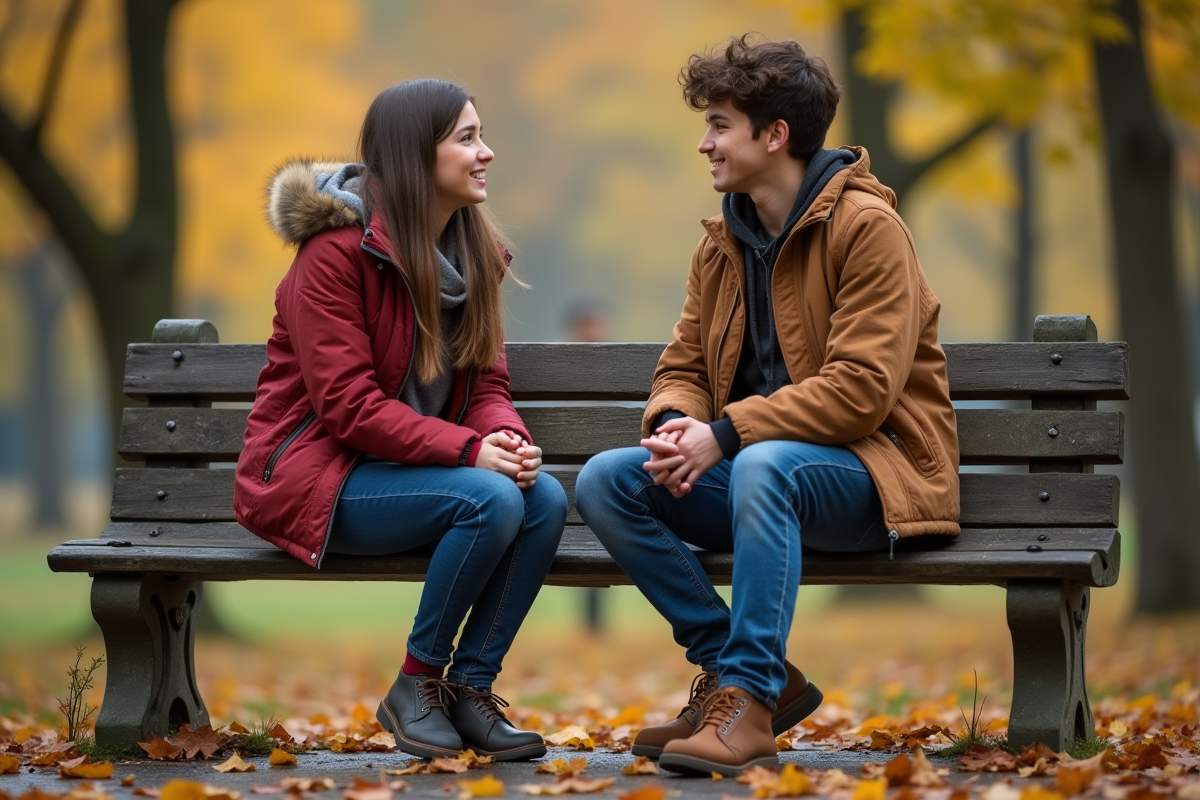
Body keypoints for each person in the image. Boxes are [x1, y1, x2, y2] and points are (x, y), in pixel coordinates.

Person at [576, 35, 960, 776]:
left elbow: (860, 391)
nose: (704, 143)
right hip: (759, 474)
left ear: (774, 135)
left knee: (768, 465)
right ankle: (745, 678)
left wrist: (725, 435)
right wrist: (673, 427)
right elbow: (681, 365)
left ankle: (747, 700)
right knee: (607, 479)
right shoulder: (721, 243)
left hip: (871, 478)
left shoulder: (868, 230)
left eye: (719, 124)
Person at [234, 79, 568, 762]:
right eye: (468, 138)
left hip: (412, 471)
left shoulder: (469, 257)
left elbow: (489, 382)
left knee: (545, 498)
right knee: (490, 496)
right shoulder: (333, 255)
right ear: (418, 155)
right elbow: (347, 407)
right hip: (318, 480)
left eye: (481, 135)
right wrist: (472, 452)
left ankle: (470, 690)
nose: (487, 153)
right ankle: (415, 685)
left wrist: (505, 436)